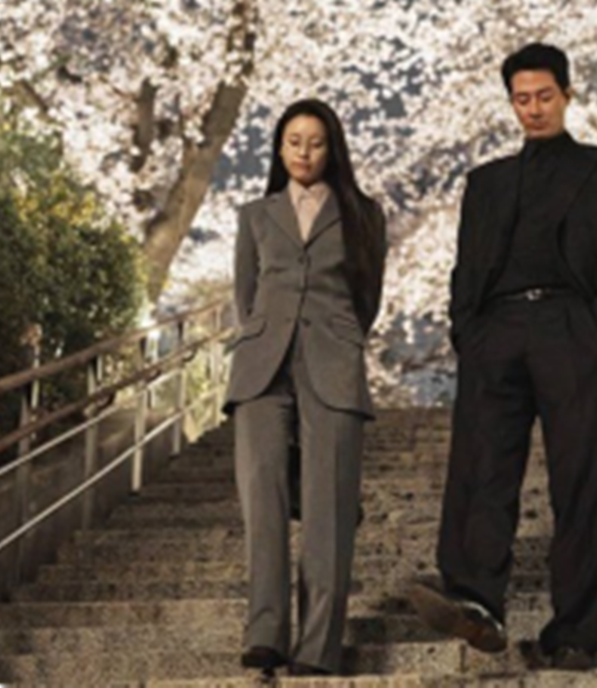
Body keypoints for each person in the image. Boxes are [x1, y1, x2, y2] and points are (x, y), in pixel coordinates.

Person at [408, 42, 597, 671]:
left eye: (543, 96)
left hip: (574, 329)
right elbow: (465, 269)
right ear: (510, 104)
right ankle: (476, 602)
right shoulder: (485, 183)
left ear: (567, 95)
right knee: (480, 471)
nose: (533, 109)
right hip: (497, 333)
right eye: (521, 99)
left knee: (581, 485)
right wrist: (469, 332)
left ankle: (575, 634)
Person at [223, 98, 387, 678]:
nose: (304, 152)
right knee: (263, 498)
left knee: (329, 507)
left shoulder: (363, 214)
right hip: (262, 366)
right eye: (293, 141)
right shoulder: (255, 215)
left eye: (315, 143)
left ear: (332, 149)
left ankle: (318, 645)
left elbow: (367, 297)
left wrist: (338, 337)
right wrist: (271, 334)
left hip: (333, 361)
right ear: (278, 147)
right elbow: (246, 295)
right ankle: (265, 634)